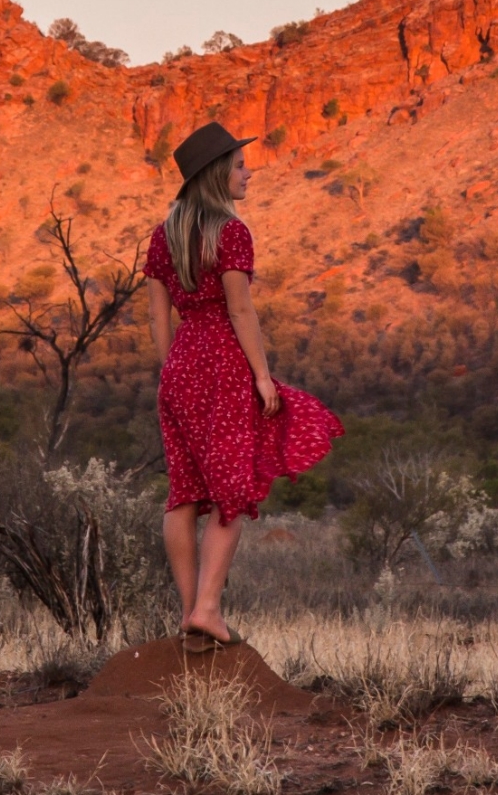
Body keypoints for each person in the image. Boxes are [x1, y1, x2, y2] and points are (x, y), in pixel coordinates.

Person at [145, 121, 343, 652]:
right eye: (239, 164)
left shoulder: (162, 237)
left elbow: (159, 321)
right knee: (231, 492)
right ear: (215, 174)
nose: (247, 172)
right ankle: (208, 609)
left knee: (183, 494)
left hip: (180, 366)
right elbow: (240, 309)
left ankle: (191, 614)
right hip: (224, 363)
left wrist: (172, 375)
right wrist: (260, 374)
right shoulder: (231, 232)